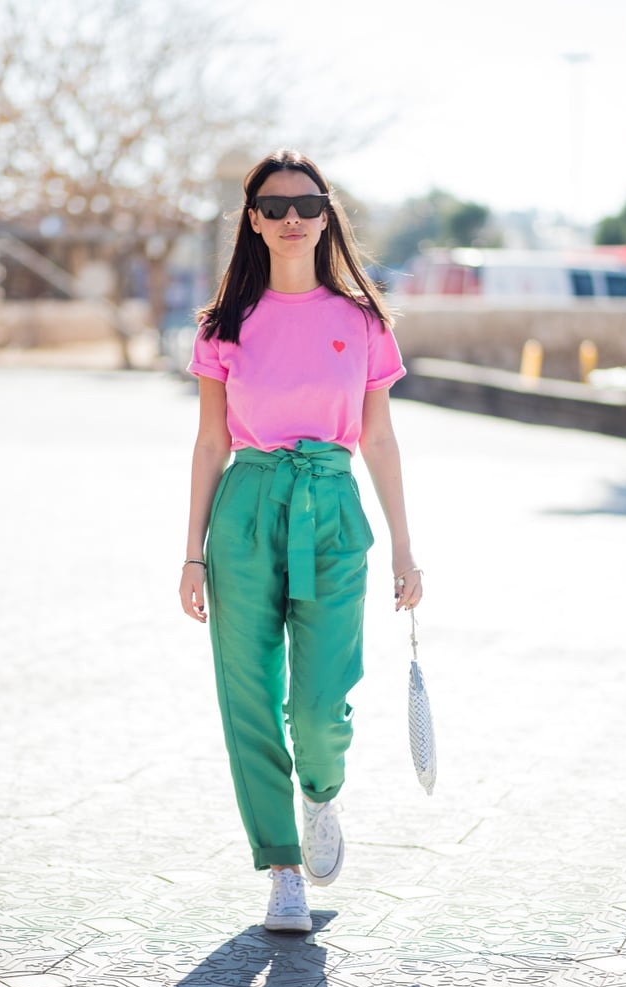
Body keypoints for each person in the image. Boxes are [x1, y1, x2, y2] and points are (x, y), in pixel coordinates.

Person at [179, 149, 423, 933]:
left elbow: (380, 442)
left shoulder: (362, 320)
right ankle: (282, 868)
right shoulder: (225, 325)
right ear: (252, 218)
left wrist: (404, 549)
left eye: (308, 205)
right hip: (246, 509)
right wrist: (191, 551)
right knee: (247, 697)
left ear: (327, 217)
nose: (292, 219)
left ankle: (321, 794)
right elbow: (211, 444)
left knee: (318, 706)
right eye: (275, 206)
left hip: (330, 506)